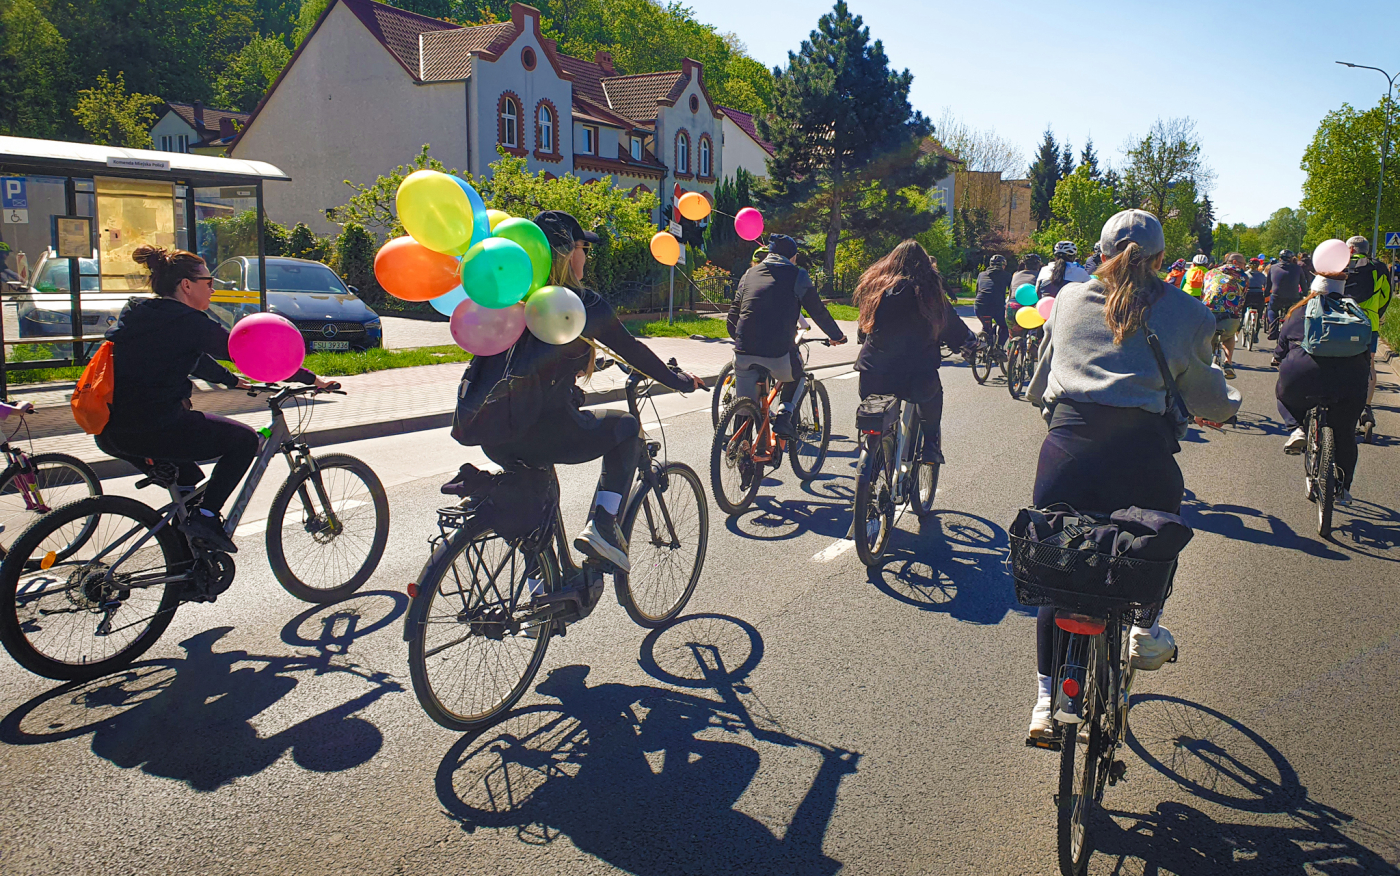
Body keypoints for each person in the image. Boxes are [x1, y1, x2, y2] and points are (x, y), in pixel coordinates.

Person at [1025, 209, 1239, 739]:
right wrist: (1228, 404)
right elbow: (1208, 395)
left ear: (1100, 255)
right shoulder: (1190, 313)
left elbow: (1040, 380)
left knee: (1059, 562)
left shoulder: (1070, 299)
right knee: (1153, 540)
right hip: (1143, 456)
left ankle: (1045, 701)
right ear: (1163, 259)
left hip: (1068, 450)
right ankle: (1143, 629)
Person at [453, 211, 703, 572]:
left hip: (494, 433)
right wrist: (678, 381)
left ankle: (542, 588)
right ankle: (603, 526)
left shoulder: (506, 300)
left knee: (538, 498)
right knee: (627, 428)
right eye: (584, 247)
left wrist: (591, 364)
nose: (586, 256)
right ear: (568, 253)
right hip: (548, 432)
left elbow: (535, 361)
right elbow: (634, 351)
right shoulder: (577, 304)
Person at [98, 246, 333, 553]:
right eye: (208, 282)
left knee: (190, 479)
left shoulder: (140, 311)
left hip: (109, 430)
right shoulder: (189, 322)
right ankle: (207, 519)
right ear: (186, 285)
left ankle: (183, 557)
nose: (213, 288)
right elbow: (251, 353)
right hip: (153, 427)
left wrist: (230, 380)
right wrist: (313, 379)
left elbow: (188, 355)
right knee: (245, 441)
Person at [853, 240, 974, 467]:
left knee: (876, 418)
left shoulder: (875, 286)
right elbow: (950, 324)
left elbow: (865, 324)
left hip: (874, 371)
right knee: (932, 397)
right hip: (916, 374)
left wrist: (863, 338)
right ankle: (930, 447)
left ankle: (874, 459)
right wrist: (967, 343)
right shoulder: (928, 290)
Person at [727, 234, 847, 439]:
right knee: (797, 374)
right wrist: (837, 336)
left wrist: (740, 339)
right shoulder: (797, 275)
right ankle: (784, 416)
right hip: (778, 355)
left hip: (743, 353)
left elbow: (732, 318)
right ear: (793, 257)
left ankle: (739, 446)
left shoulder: (749, 274)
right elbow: (817, 310)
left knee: (745, 403)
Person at [1273, 276, 1370, 501]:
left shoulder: (1299, 311)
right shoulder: (1356, 313)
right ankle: (1343, 488)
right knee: (1345, 433)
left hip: (1303, 374)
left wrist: (1278, 359)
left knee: (1283, 395)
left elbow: (1282, 347)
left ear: (1313, 289)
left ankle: (1296, 428)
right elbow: (1367, 350)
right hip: (1350, 378)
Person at [1321, 236, 1391, 432]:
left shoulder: (1338, 263)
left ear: (1349, 250)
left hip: (1337, 319)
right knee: (1368, 364)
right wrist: (1377, 313)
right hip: (1368, 322)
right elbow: (1386, 294)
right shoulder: (1379, 267)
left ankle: (1330, 400)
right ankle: (1366, 407)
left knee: (1331, 357)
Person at [1202, 253, 1247, 378]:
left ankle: (1205, 364)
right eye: (1243, 264)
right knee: (1229, 335)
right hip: (1229, 317)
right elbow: (1242, 299)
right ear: (1235, 263)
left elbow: (1203, 293)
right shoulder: (1243, 277)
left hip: (1208, 315)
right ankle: (1228, 362)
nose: (1244, 266)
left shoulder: (1210, 273)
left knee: (1207, 337)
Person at [974, 254, 1013, 348]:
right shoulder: (1007, 275)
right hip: (996, 306)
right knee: (1005, 326)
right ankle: (999, 347)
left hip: (979, 305)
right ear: (1003, 265)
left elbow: (977, 290)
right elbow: (1012, 292)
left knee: (986, 325)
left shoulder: (981, 275)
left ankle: (983, 341)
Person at [1265, 250, 1303, 336]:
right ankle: (1292, 331)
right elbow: (1304, 285)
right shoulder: (1297, 268)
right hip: (1293, 297)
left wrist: (1266, 294)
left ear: (1280, 258)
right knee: (1294, 312)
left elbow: (1268, 285)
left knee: (1271, 309)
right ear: (1291, 259)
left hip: (1276, 297)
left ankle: (1273, 329)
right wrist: (1304, 293)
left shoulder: (1273, 268)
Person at [1243, 258, 1268, 332]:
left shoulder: (1245, 275)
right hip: (1258, 295)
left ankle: (1240, 325)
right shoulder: (1262, 275)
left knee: (1243, 310)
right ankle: (1257, 329)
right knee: (1259, 312)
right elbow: (1266, 286)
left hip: (1248, 294)